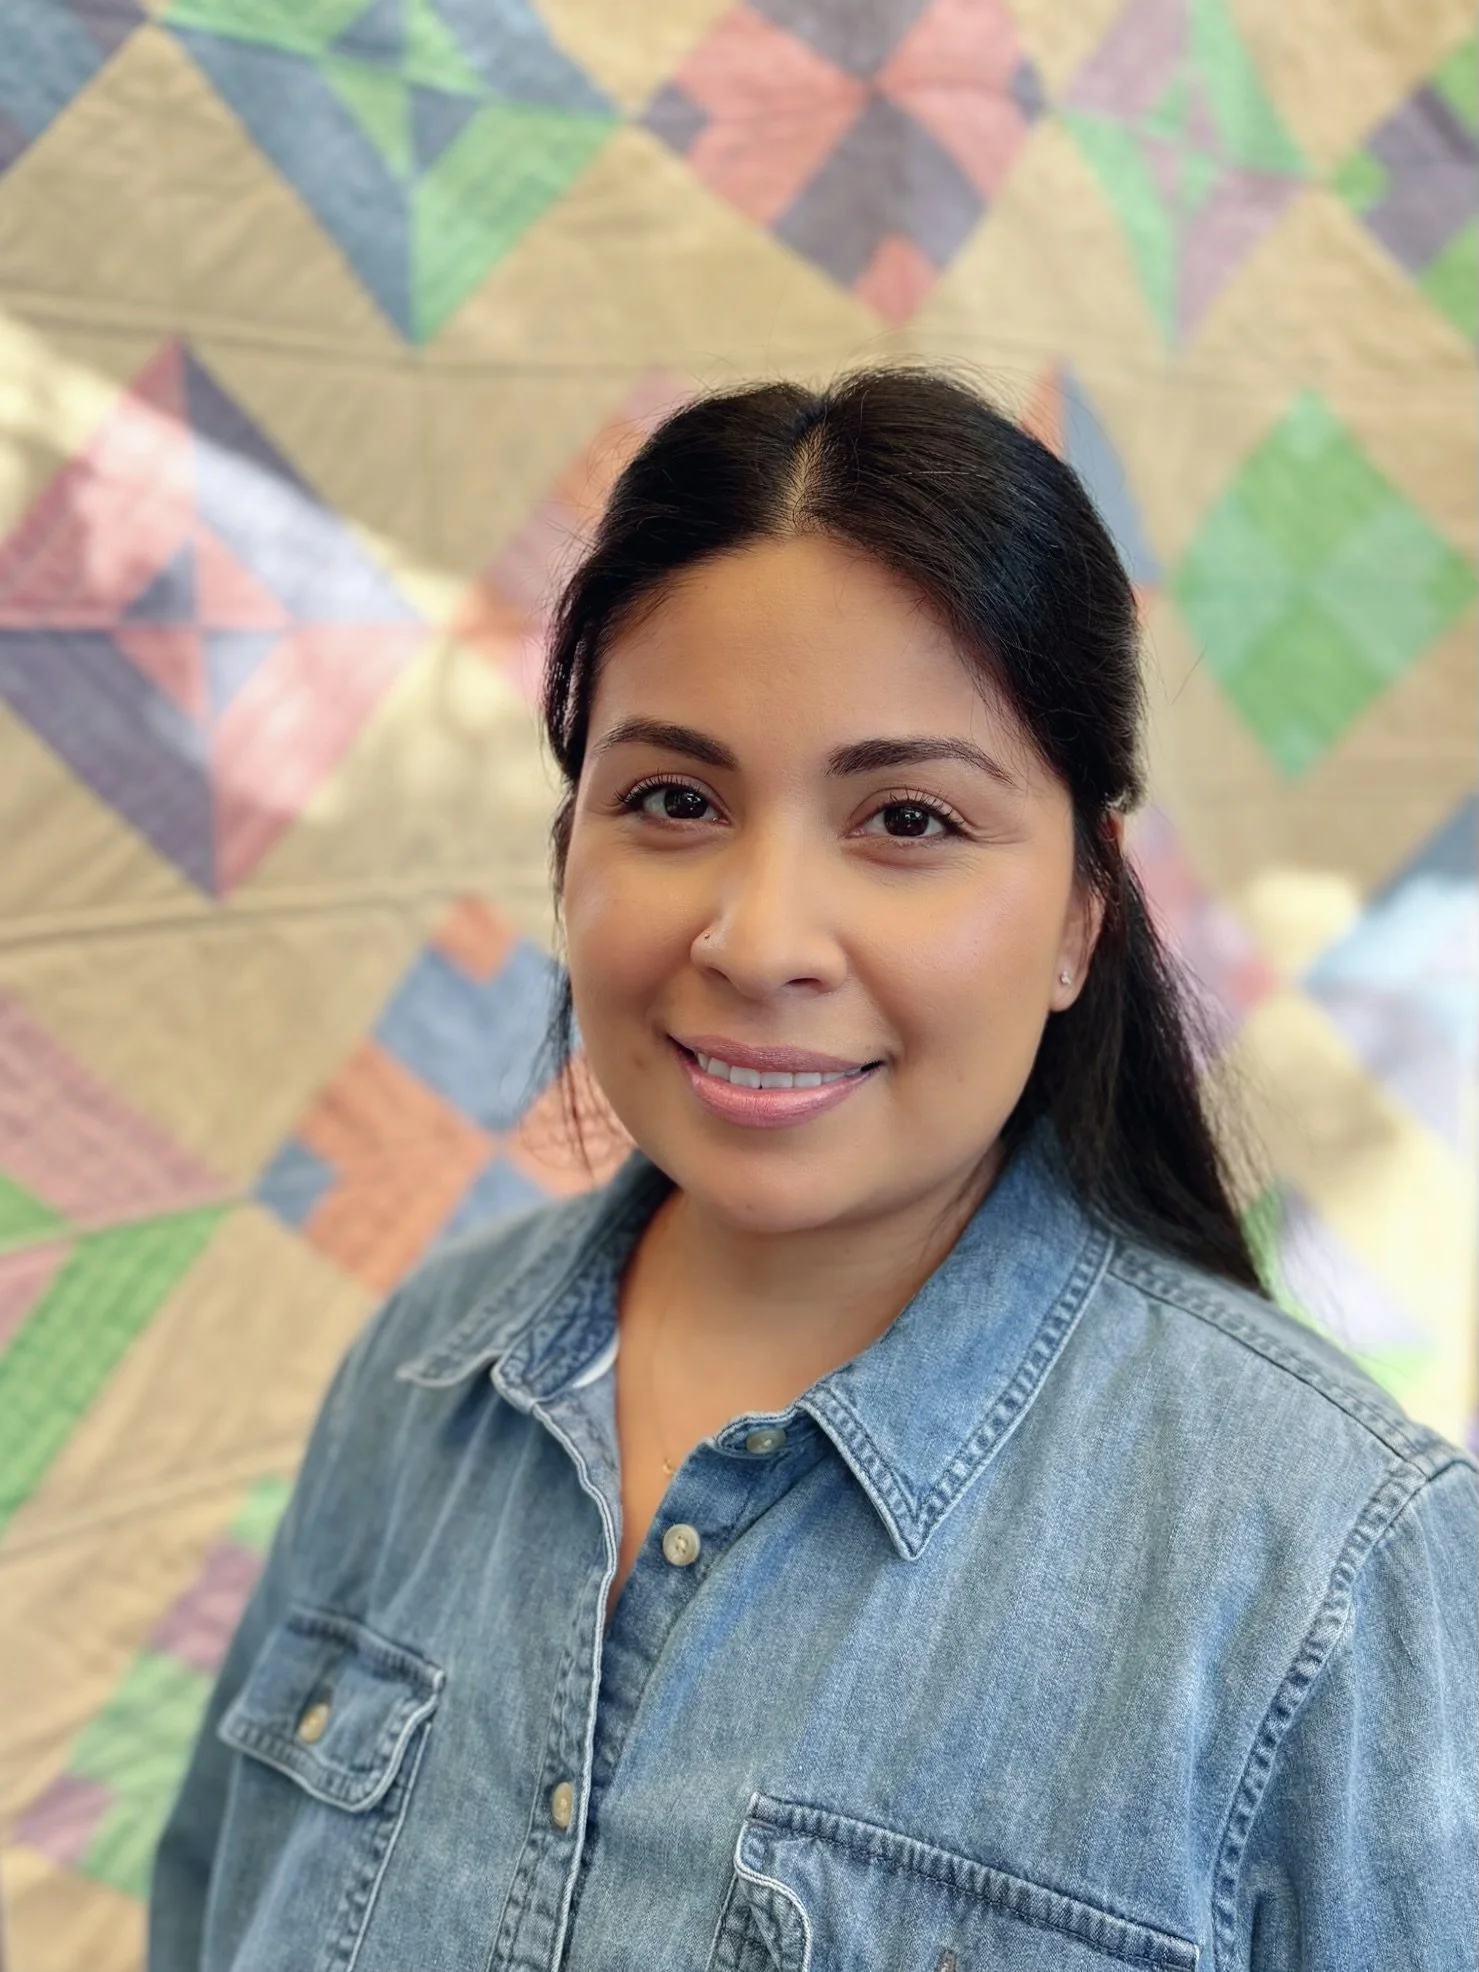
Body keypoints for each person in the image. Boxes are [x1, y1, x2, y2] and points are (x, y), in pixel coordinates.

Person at [149, 369, 1475, 1972]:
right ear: (571, 840)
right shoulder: (418, 1381)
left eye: (905, 817)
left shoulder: (1327, 1565)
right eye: (673, 800)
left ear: (1078, 910)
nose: (761, 940)